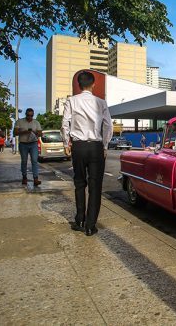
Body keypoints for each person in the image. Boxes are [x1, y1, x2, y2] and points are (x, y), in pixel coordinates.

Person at [61, 71, 112, 236]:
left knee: (79, 183)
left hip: (79, 146)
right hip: (96, 146)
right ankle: (91, 225)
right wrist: (104, 146)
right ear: (93, 84)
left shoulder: (72, 101)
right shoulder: (101, 102)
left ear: (78, 84)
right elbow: (108, 126)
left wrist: (65, 143)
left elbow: (65, 124)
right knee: (95, 186)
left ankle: (80, 219)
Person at [14, 108, 42, 186]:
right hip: (23, 144)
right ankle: (24, 177)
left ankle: (35, 178)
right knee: (24, 161)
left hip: (33, 143)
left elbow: (40, 133)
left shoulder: (36, 122)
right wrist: (24, 131)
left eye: (31, 115)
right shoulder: (19, 122)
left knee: (34, 161)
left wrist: (35, 132)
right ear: (25, 114)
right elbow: (15, 132)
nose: (30, 117)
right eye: (28, 115)